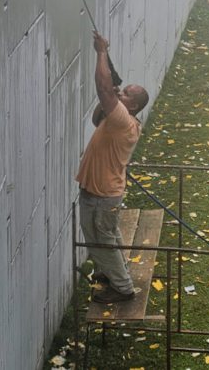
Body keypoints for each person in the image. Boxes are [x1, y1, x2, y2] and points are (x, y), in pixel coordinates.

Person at [75, 31, 150, 304]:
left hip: (101, 197)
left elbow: (104, 89)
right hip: (106, 194)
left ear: (134, 106)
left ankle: (122, 288)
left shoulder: (122, 120)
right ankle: (115, 273)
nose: (121, 93)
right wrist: (113, 94)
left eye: (126, 94)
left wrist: (101, 53)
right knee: (109, 236)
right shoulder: (119, 117)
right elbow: (98, 116)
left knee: (100, 241)